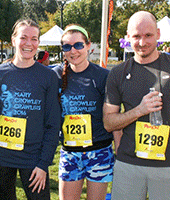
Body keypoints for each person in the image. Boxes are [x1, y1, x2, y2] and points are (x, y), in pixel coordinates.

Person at [103, 11, 170, 200]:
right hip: (128, 166)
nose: (142, 42)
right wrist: (140, 110)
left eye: (148, 35)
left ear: (158, 34)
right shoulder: (117, 73)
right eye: (136, 36)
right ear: (128, 37)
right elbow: (108, 122)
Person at [0, 19, 60, 200]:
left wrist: (43, 164)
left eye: (34, 39)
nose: (28, 44)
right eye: (23, 37)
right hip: (1, 157)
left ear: (38, 42)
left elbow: (53, 124)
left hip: (33, 158)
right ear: (13, 39)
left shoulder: (48, 77)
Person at [52, 24, 115, 200]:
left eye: (78, 45)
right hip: (70, 152)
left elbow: (112, 116)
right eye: (67, 46)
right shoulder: (55, 75)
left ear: (88, 46)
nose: (73, 51)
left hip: (99, 151)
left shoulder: (103, 76)